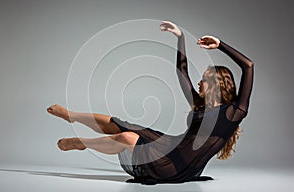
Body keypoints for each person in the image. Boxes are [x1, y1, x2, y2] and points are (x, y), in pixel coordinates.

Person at [47, 21, 254, 184]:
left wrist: (220, 45)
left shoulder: (233, 112)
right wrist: (180, 37)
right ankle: (71, 116)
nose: (200, 82)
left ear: (218, 85)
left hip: (176, 167)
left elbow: (249, 66)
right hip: (170, 145)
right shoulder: (201, 105)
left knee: (128, 138)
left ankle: (82, 143)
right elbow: (181, 72)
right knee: (124, 124)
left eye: (205, 80)